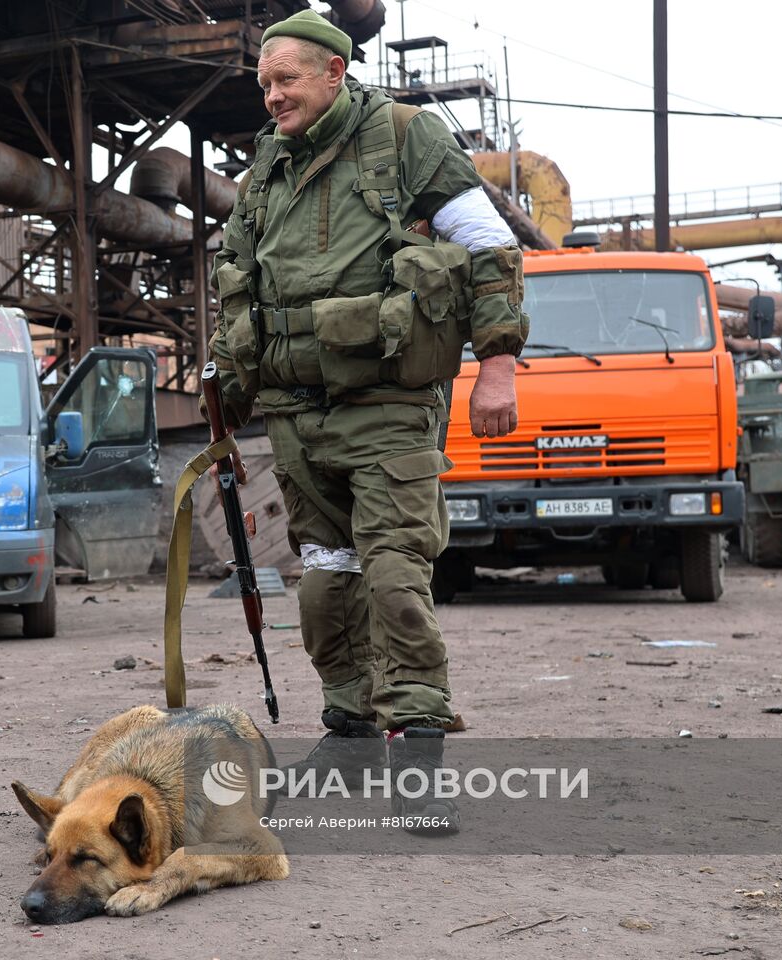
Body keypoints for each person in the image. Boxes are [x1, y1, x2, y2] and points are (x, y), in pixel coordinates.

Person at [206, 10, 528, 829]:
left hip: (386, 405)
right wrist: (227, 393)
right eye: (265, 82)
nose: (273, 95)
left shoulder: (405, 139)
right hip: (295, 413)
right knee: (325, 581)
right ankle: (347, 736)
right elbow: (237, 276)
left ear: (334, 73)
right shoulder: (267, 167)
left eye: (287, 79)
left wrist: (497, 368)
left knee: (393, 575)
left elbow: (488, 246)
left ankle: (418, 760)